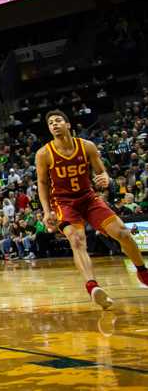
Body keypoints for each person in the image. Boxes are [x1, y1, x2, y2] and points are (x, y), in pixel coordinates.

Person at [35, 109, 148, 309]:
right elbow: (43, 183)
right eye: (50, 122)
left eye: (58, 120)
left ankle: (142, 272)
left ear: (68, 125)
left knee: (123, 233)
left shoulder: (87, 146)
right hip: (64, 203)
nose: (54, 124)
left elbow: (101, 172)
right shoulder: (44, 153)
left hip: (88, 198)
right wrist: (46, 211)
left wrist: (106, 177)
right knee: (77, 240)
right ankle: (92, 286)